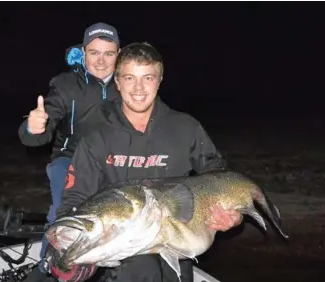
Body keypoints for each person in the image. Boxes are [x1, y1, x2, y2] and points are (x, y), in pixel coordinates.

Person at [43, 42, 243, 282]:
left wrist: (233, 213)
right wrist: (67, 247)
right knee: (140, 270)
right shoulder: (95, 138)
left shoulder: (186, 128)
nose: (138, 87)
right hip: (123, 255)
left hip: (177, 244)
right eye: (129, 78)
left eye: (147, 78)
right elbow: (73, 202)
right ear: (117, 82)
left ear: (159, 81)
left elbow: (218, 175)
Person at [19, 22, 121, 281]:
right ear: (83, 52)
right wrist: (34, 128)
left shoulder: (127, 84)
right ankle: (47, 269)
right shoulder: (66, 84)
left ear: (118, 54)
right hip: (70, 159)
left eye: (108, 53)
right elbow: (43, 128)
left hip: (113, 162)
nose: (100, 60)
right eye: (94, 52)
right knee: (63, 213)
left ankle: (110, 268)